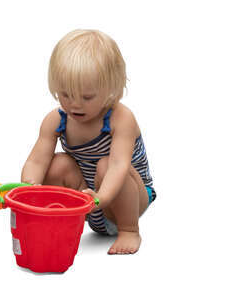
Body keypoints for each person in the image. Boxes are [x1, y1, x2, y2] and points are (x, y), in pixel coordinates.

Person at [21, 29, 156, 255]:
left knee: (105, 165)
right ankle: (58, 222)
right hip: (87, 197)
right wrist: (28, 188)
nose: (75, 105)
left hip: (127, 199)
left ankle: (129, 231)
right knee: (57, 164)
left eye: (86, 97)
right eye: (65, 94)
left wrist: (101, 198)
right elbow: (36, 160)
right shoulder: (57, 119)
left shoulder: (120, 118)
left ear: (111, 90)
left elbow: (117, 166)